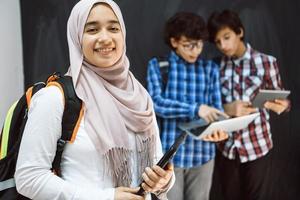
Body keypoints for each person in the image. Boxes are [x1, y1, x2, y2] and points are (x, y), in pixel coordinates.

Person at [14, 0, 174, 199]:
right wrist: (108, 197)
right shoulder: (55, 98)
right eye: (92, 30)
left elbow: (154, 160)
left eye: (113, 28)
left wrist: (163, 181)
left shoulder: (139, 95)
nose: (105, 38)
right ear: (77, 37)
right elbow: (29, 178)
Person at [207, 9, 290, 200]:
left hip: (257, 146)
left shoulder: (267, 62)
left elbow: (283, 101)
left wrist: (282, 106)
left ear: (240, 32)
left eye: (227, 37)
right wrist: (228, 108)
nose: (223, 45)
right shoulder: (215, 65)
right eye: (218, 42)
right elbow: (208, 105)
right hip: (226, 148)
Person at [147, 12, 229, 200]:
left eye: (199, 44)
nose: (196, 50)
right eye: (189, 45)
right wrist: (196, 108)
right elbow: (156, 103)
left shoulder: (210, 69)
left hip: (203, 156)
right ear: (174, 42)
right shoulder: (159, 66)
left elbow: (217, 110)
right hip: (169, 157)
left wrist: (219, 130)